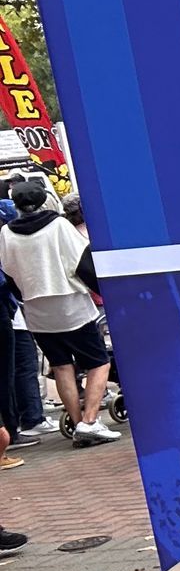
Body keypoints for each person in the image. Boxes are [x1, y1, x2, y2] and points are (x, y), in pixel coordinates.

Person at [0, 178, 118, 446]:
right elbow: (81, 262)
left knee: (62, 366)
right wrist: (101, 290)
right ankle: (89, 421)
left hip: (36, 309)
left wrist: (24, 297)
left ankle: (78, 424)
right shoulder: (58, 225)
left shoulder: (6, 234)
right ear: (43, 200)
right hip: (70, 304)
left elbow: (7, 272)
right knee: (99, 362)